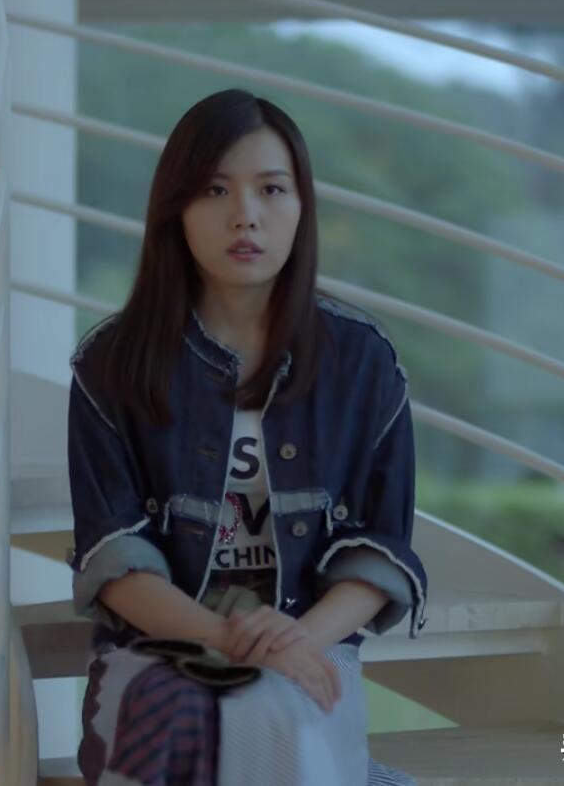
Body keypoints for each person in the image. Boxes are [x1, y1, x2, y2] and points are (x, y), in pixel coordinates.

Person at [67, 87, 427, 786]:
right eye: (215, 189)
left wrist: (294, 639)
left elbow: (380, 548)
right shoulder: (111, 364)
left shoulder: (362, 361)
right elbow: (116, 559)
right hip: (161, 645)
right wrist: (228, 637)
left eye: (271, 189)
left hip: (309, 639)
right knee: (180, 715)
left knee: (277, 709)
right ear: (176, 208)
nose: (245, 216)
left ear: (301, 207)